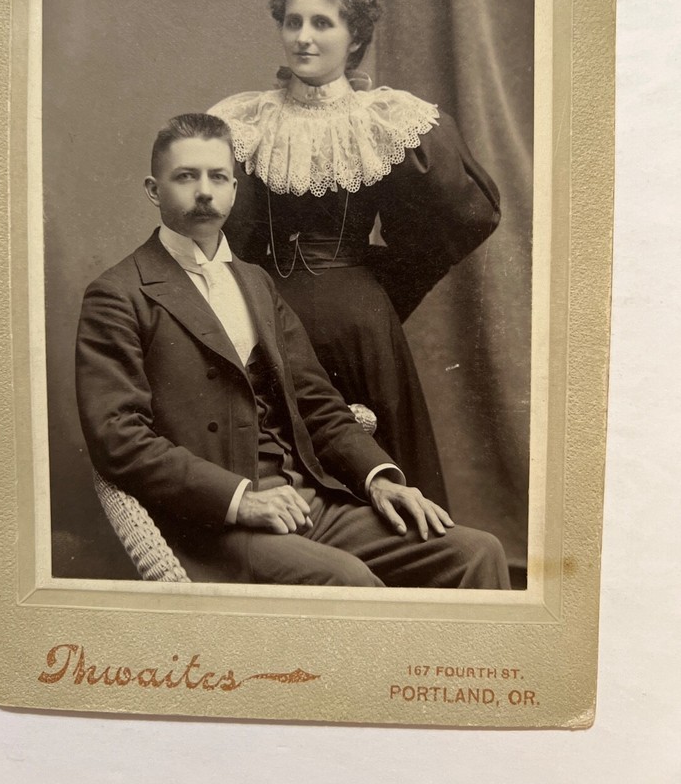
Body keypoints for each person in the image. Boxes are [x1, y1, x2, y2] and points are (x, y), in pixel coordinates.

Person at [76, 113, 509, 588]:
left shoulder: (256, 282)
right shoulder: (118, 293)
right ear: (154, 190)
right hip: (215, 519)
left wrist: (378, 478)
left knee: (476, 553)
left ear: (235, 191)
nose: (205, 191)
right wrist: (241, 498)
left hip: (307, 501)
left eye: (218, 177)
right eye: (186, 176)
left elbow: (315, 400)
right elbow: (118, 438)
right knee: (348, 580)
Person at [208, 0, 501, 507]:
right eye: (293, 21)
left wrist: (380, 283)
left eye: (322, 23)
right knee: (280, 478)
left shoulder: (384, 121)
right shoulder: (243, 120)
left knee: (381, 479)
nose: (304, 36)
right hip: (265, 315)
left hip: (358, 322)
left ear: (356, 37)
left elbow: (468, 215)